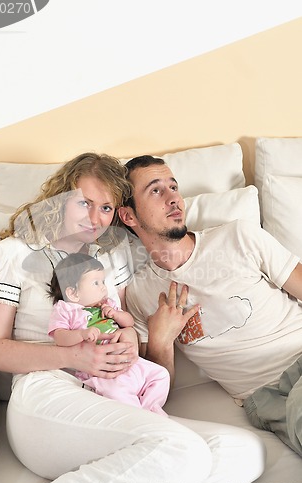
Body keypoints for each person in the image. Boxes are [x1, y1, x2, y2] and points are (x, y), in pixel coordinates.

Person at [0, 152, 265, 483]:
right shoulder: (10, 253)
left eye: (107, 208)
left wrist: (132, 338)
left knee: (244, 450)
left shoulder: (112, 255)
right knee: (182, 450)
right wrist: (73, 355)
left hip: (114, 394)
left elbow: (124, 325)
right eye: (84, 203)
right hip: (45, 396)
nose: (95, 218)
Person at [119, 154, 302, 458]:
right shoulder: (140, 295)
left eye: (173, 186)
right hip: (266, 399)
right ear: (129, 216)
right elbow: (154, 395)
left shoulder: (238, 237)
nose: (173, 197)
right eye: (155, 190)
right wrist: (162, 341)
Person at [48, 252, 170, 415]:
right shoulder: (66, 309)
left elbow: (129, 323)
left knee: (161, 375)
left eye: (103, 281)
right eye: (96, 283)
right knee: (118, 394)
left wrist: (116, 314)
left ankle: (150, 409)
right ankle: (141, 417)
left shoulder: (108, 304)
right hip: (105, 373)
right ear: (73, 293)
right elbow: (60, 337)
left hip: (131, 362)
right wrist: (81, 334)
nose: (104, 287)